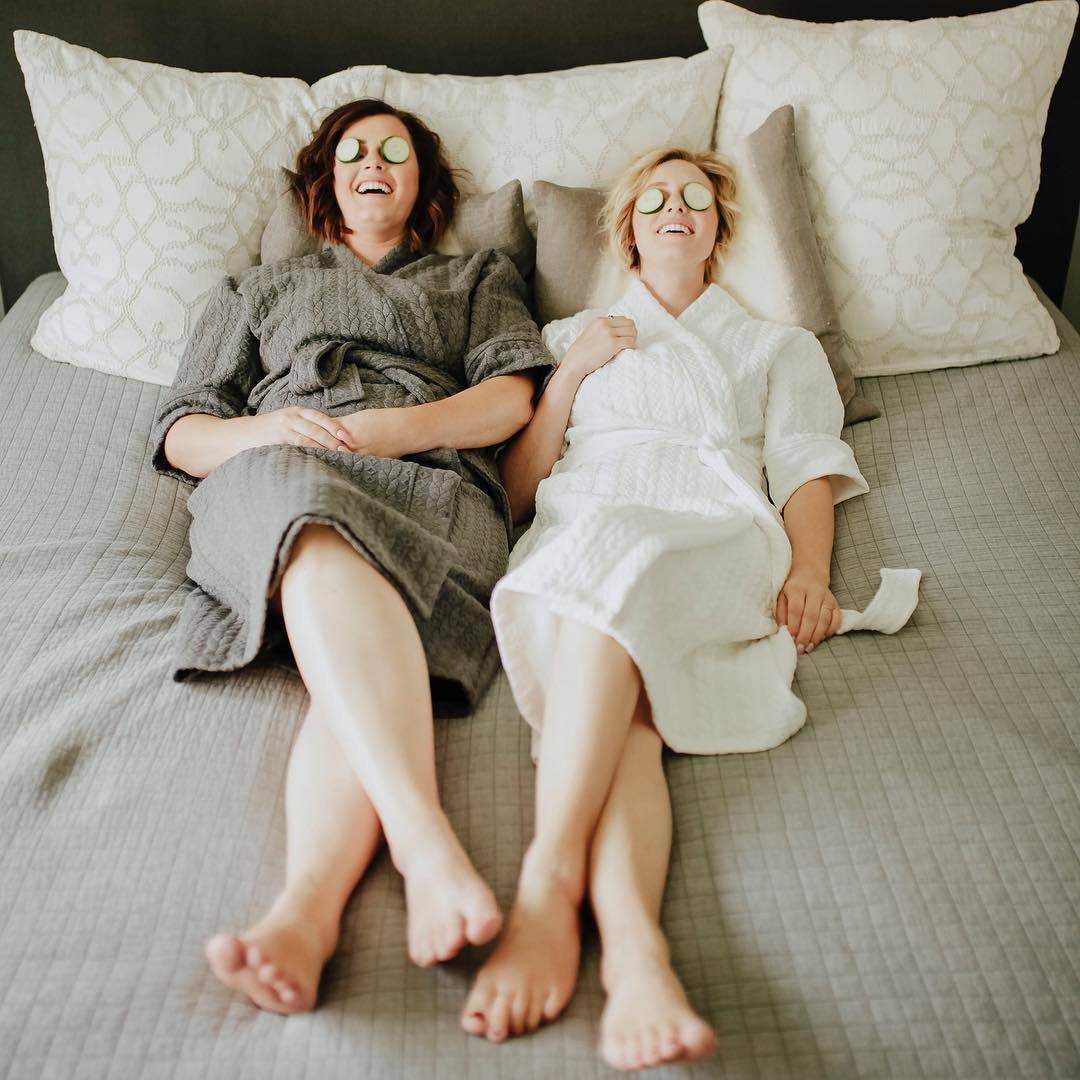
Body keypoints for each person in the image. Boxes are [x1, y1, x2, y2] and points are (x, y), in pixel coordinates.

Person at [460, 146, 920, 1070]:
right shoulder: (571, 334)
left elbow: (804, 466)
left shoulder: (776, 346)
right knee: (633, 715)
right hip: (587, 519)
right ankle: (636, 953)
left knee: (619, 585)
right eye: (656, 198)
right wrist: (571, 374)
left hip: (709, 526)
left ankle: (549, 884)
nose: (676, 208)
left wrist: (812, 571)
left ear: (717, 229)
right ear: (628, 230)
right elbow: (516, 491)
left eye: (696, 200)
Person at [149, 99, 554, 1014]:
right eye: (354, 153)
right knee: (316, 528)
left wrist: (390, 430)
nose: (373, 163)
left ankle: (304, 916)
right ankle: (424, 847)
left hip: (432, 476)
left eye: (394, 152)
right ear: (326, 185)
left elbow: (510, 400)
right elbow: (180, 431)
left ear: (423, 184)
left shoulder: (477, 275)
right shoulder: (254, 291)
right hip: (281, 469)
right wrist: (265, 432)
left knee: (361, 641)